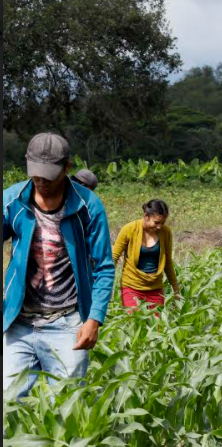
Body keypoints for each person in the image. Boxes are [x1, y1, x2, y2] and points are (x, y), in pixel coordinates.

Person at [3, 132, 114, 398]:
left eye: (48, 176)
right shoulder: (12, 200)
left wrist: (94, 319)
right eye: (35, 174)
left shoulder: (88, 206)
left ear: (67, 167)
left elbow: (104, 267)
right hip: (18, 322)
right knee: (6, 405)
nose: (40, 182)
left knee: (67, 406)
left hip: (66, 324)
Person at [112, 199, 181, 313]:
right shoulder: (129, 229)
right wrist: (106, 285)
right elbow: (114, 256)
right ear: (146, 216)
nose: (159, 226)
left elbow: (167, 262)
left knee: (158, 327)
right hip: (132, 287)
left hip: (155, 288)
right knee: (134, 324)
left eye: (162, 223)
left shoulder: (165, 232)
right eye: (156, 222)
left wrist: (175, 288)